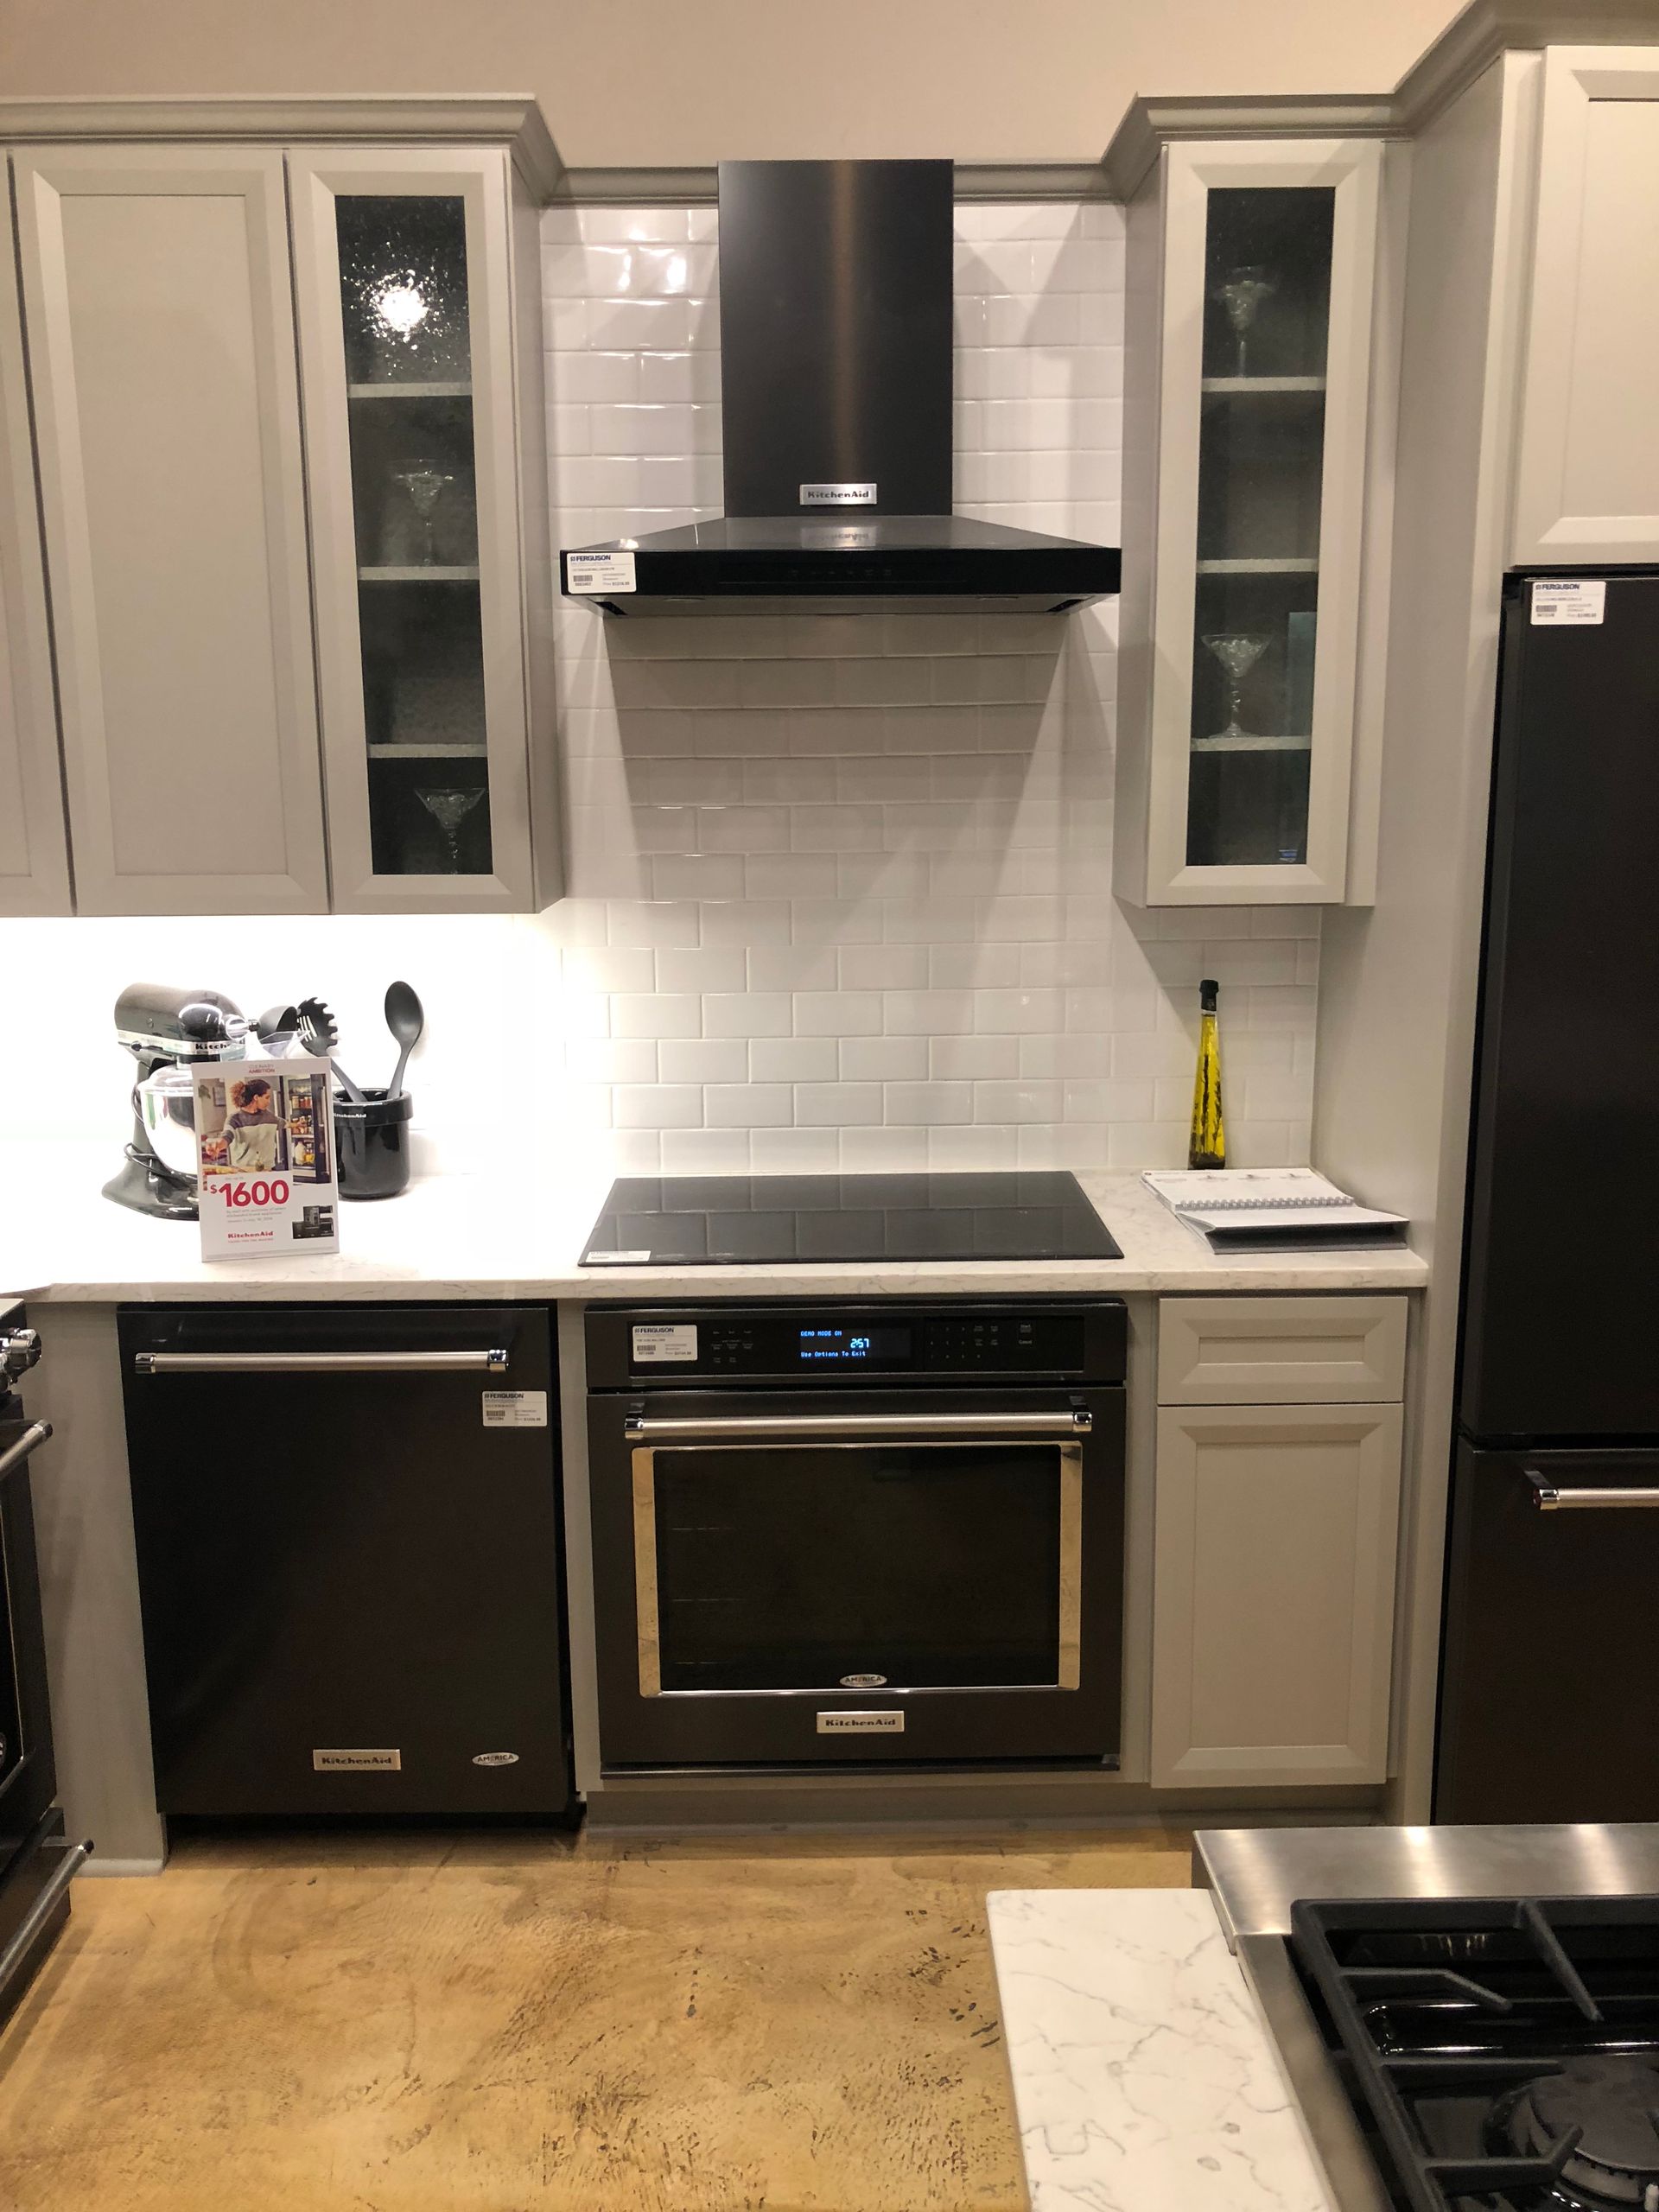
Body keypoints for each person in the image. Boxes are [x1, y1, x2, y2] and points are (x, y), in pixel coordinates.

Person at [225, 1077, 280, 1173]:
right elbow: (226, 1136)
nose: (269, 1101)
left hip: (268, 1171)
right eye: (267, 1097)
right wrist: (218, 1145)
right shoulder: (234, 1119)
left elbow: (281, 1122)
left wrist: (295, 1125)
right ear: (256, 1098)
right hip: (243, 1172)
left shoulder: (268, 1115)